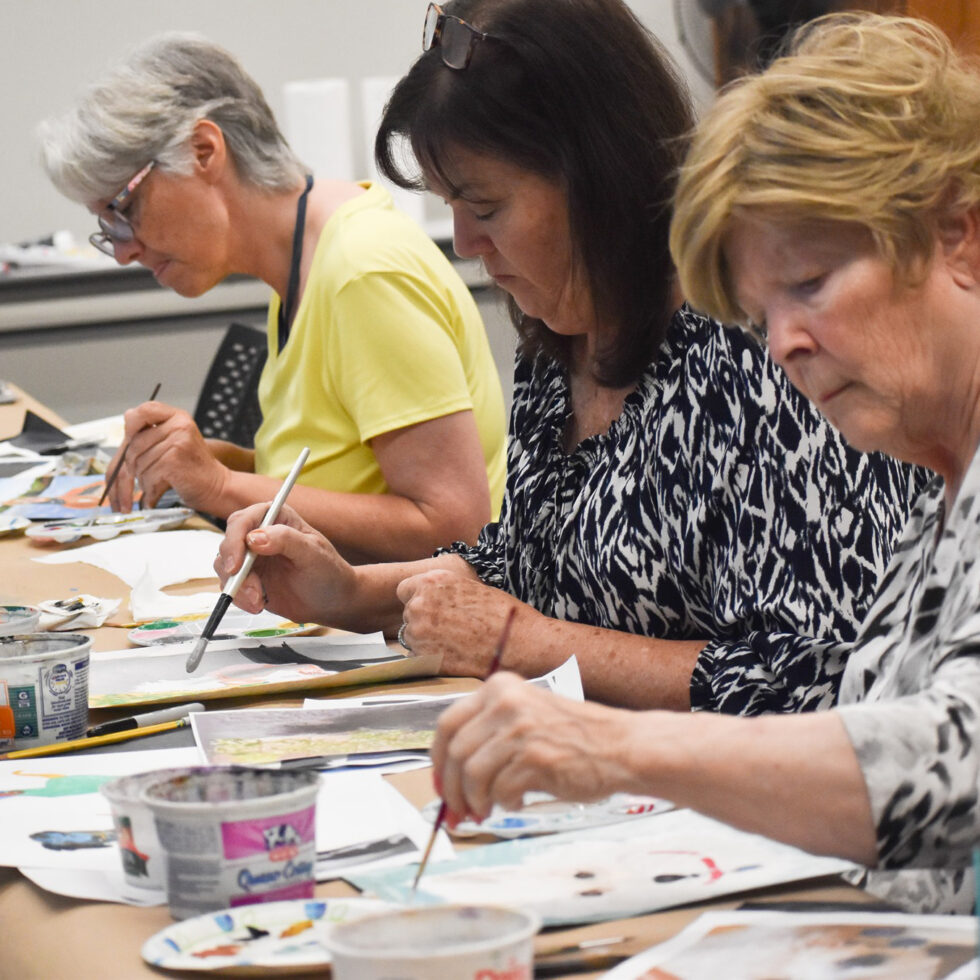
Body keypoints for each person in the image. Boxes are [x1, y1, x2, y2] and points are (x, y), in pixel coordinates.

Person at [215, 0, 921, 714]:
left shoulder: (761, 354)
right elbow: (525, 565)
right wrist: (347, 592)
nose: (465, 242)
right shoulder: (560, 340)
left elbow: (814, 676)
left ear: (595, 178)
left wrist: (524, 642)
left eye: (485, 207)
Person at [431, 12, 980, 914]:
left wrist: (612, 747)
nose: (784, 345)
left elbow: (952, 765)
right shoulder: (941, 487)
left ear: (958, 233)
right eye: (762, 315)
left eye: (810, 284)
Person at [37, 33, 506, 564]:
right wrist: (224, 465)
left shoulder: (362, 269)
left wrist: (221, 486)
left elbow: (453, 526)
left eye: (121, 212)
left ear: (203, 151)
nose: (123, 252)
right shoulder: (303, 259)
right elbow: (347, 471)